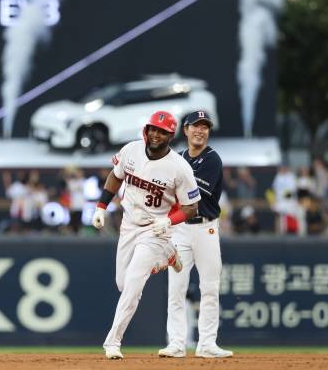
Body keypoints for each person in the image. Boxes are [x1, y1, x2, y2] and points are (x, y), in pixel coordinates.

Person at [93, 111, 200, 360]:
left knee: (133, 284)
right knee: (123, 284)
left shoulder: (179, 167)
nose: (155, 134)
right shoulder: (131, 150)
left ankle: (112, 342)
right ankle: (168, 255)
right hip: (129, 225)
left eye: (162, 131)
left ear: (170, 136)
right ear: (146, 129)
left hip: (156, 228)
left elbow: (191, 207)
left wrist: (169, 221)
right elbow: (115, 176)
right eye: (153, 129)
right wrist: (101, 206)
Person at [158, 111, 233, 359]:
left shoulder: (212, 159)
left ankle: (207, 344)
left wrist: (172, 188)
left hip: (205, 228)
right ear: (186, 129)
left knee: (209, 288)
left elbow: (192, 195)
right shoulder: (177, 158)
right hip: (180, 230)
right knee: (176, 288)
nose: (200, 130)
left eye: (205, 127)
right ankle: (176, 343)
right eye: (195, 126)